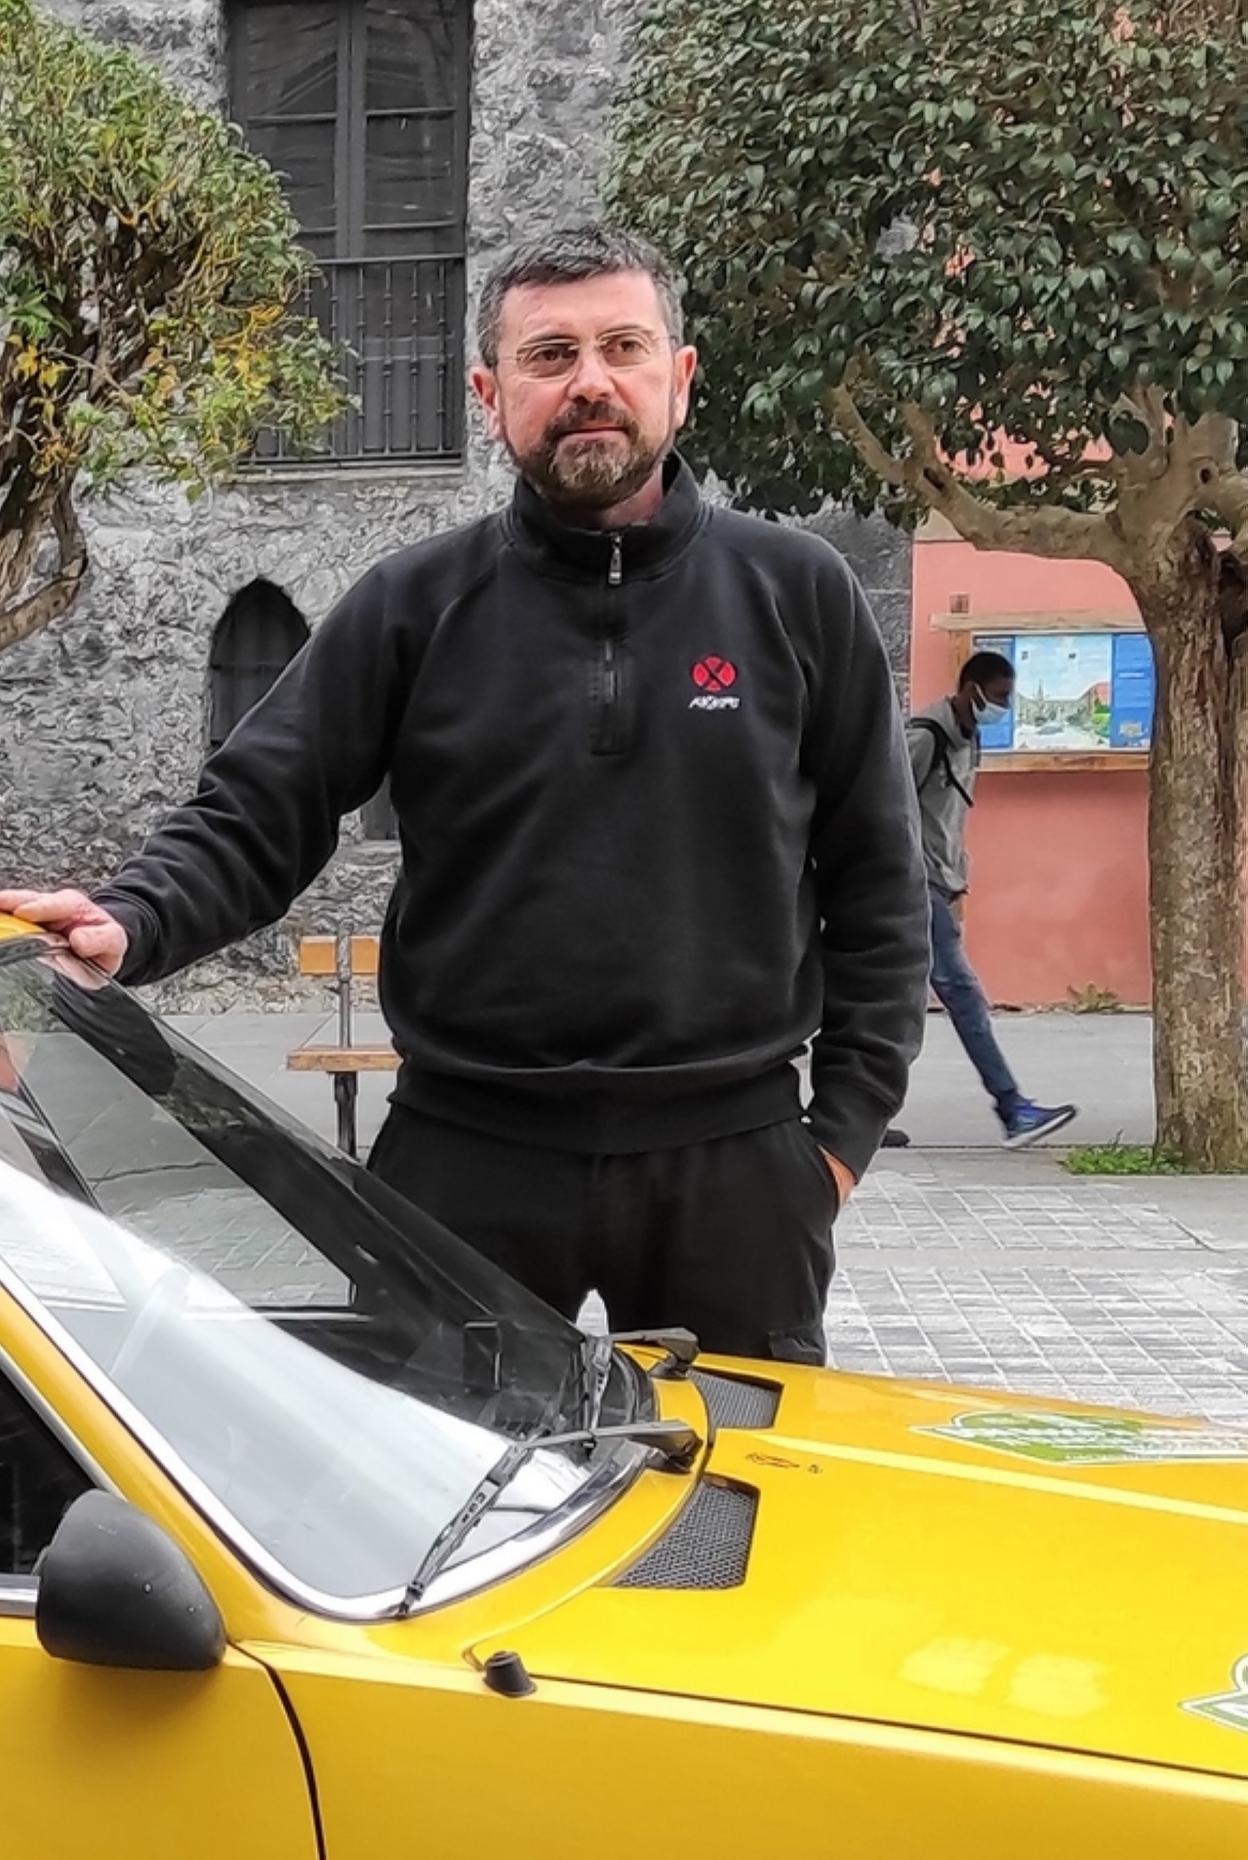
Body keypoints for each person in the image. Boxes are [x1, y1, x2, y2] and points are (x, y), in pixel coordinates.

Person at [0, 222, 929, 1363]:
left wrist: (834, 1146)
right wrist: (131, 917)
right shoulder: (413, 605)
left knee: (737, 1476)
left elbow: (881, 884)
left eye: (623, 347)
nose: (590, 383)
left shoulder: (798, 593)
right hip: (463, 1159)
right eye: (550, 356)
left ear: (679, 379)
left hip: (733, 1167)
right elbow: (260, 809)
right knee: (426, 1470)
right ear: (491, 395)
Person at [886, 651, 1077, 1150]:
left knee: (895, 1007)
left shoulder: (968, 739)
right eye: (999, 696)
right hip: (914, 887)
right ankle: (1012, 1108)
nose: (1004, 707)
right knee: (962, 995)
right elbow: (884, 808)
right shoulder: (925, 737)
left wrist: (957, 882)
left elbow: (949, 820)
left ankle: (860, 1112)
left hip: (939, 886)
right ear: (972, 690)